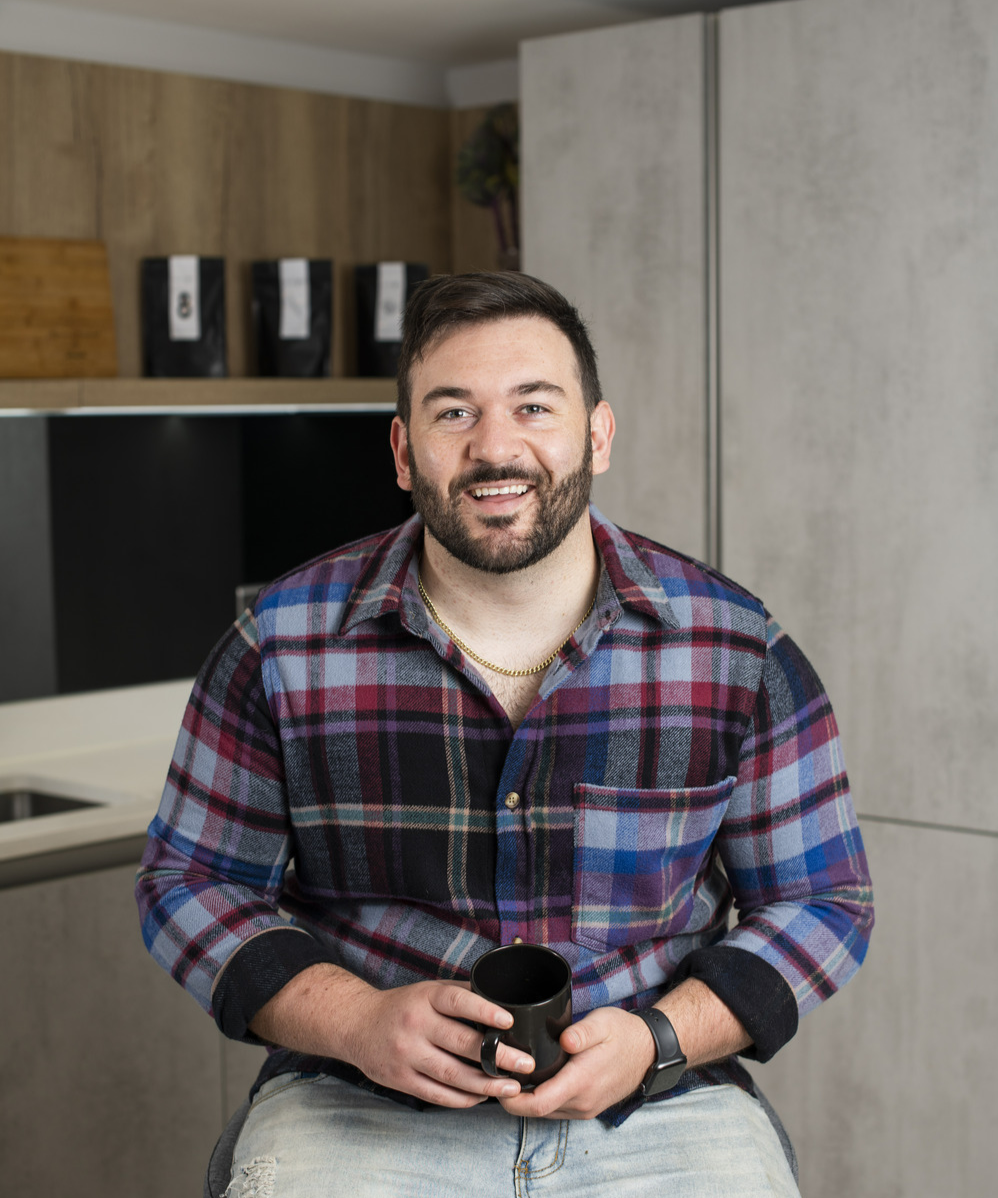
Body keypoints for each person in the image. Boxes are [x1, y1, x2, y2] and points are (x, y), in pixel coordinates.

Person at [136, 271, 873, 1197]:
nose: (495, 448)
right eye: (454, 413)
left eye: (534, 405)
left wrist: (660, 1038)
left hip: (658, 1109)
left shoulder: (734, 648)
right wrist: (358, 1020)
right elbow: (188, 881)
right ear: (403, 451)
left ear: (597, 434)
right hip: (357, 1107)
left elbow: (825, 901)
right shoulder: (279, 645)